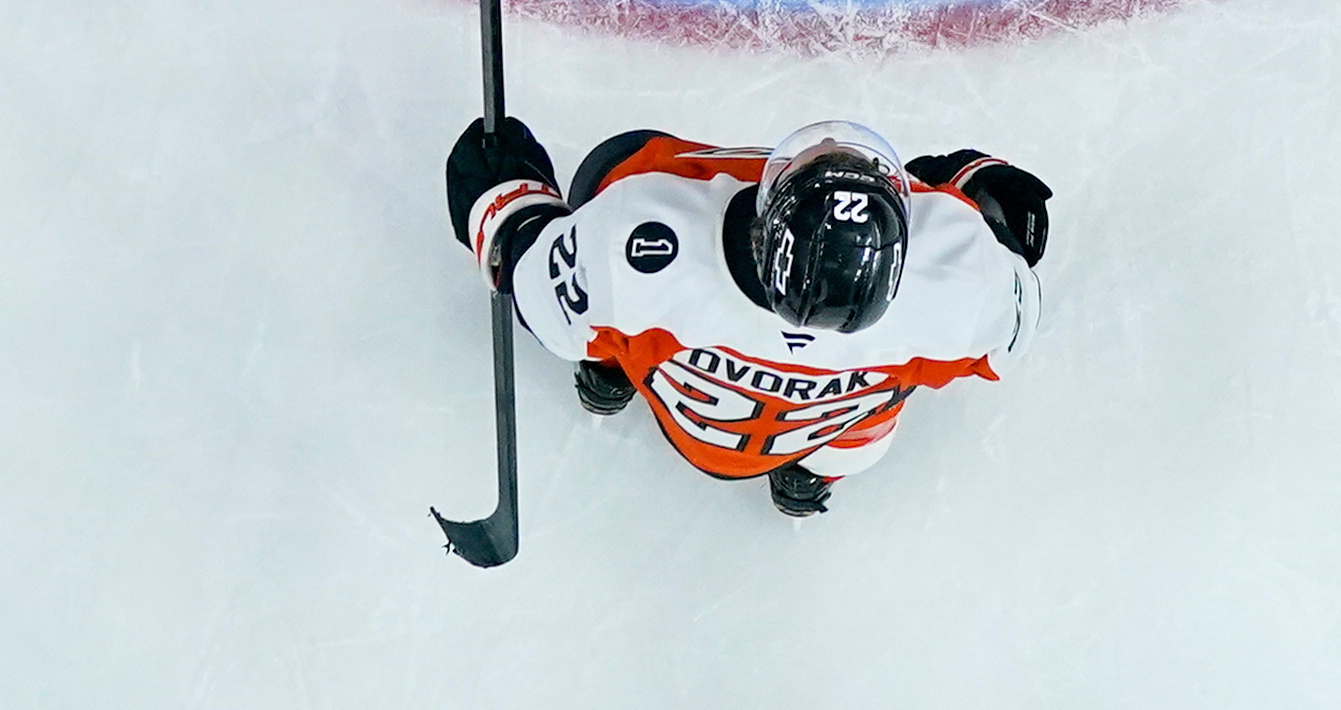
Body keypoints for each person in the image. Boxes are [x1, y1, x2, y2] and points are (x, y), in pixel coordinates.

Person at [444, 112, 1050, 517]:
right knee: (885, 399)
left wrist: (505, 199)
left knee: (611, 179)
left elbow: (531, 291)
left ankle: (610, 376)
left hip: (689, 418)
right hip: (824, 433)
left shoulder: (639, 230)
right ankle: (805, 483)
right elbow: (1014, 315)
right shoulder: (963, 287)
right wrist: (973, 186)